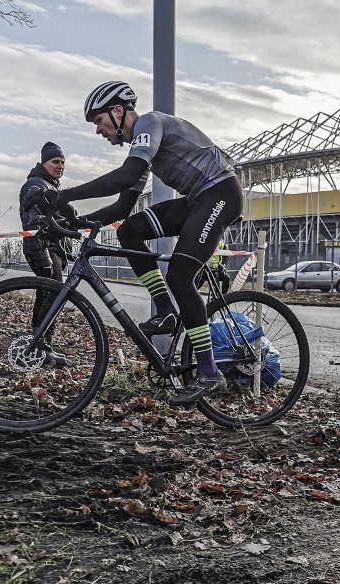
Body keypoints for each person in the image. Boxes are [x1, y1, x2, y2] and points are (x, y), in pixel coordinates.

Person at [44, 80, 242, 405]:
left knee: (180, 275)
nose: (99, 130)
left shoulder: (150, 122)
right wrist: (82, 221)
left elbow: (124, 175)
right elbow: (122, 208)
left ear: (118, 110)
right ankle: (164, 309)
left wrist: (66, 194)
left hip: (221, 194)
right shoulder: (143, 149)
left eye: (99, 121)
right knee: (130, 232)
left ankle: (209, 372)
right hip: (198, 200)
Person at [18, 141, 81, 365]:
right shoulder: (35, 183)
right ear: (44, 163)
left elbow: (53, 214)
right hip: (41, 246)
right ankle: (42, 346)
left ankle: (42, 344)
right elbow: (35, 204)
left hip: (52, 247)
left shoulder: (50, 184)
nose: (60, 166)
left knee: (49, 295)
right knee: (52, 294)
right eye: (55, 162)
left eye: (63, 162)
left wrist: (72, 222)